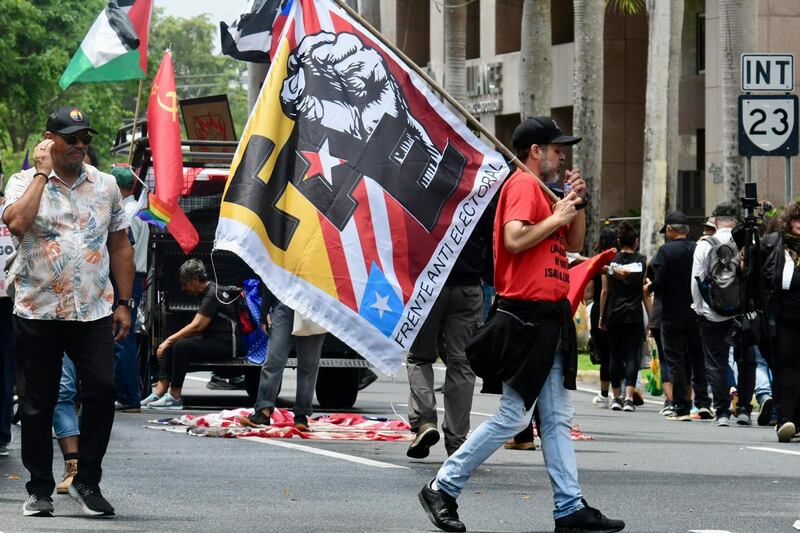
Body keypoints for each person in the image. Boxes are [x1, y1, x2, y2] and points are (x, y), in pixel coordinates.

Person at [418, 116, 624, 533]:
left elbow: (573, 244)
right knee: (515, 417)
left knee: (557, 418)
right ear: (536, 152)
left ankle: (569, 507)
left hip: (550, 317)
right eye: (556, 148)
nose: (562, 155)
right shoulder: (523, 185)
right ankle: (442, 486)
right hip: (525, 316)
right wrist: (556, 214)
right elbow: (514, 238)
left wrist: (574, 204)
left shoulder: (546, 190)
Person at [2, 106, 134, 517]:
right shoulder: (23, 181)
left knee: (103, 389)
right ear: (49, 140)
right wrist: (42, 174)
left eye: (84, 138)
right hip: (37, 311)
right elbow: (17, 224)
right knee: (38, 404)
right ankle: (39, 488)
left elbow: (120, 245)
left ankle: (86, 481)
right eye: (71, 138)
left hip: (93, 311)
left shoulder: (107, 185)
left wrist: (126, 302)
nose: (80, 145)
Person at [405, 202, 493, 458]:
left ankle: (425, 421)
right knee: (462, 365)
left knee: (419, 357)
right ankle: (457, 440)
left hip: (429, 283)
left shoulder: (425, 183)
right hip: (467, 285)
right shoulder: (480, 183)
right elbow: (491, 238)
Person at [142, 259, 245, 409]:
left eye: (185, 284)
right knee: (172, 346)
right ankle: (158, 393)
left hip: (228, 344)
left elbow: (197, 326)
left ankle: (174, 396)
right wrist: (169, 343)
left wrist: (168, 341)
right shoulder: (207, 292)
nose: (183, 288)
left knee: (179, 347)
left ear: (196, 280)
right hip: (215, 339)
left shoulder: (212, 294)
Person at [691, 203, 753, 426]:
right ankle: (745, 409)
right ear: (735, 221)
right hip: (743, 312)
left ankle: (722, 412)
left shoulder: (704, 245)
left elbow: (696, 280)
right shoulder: (746, 241)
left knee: (716, 363)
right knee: (745, 359)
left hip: (712, 313)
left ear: (715, 221)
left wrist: (699, 308)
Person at [647, 211, 712, 422]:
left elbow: (660, 279)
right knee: (697, 358)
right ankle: (703, 403)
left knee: (676, 361)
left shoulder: (666, 251)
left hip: (672, 314)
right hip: (697, 312)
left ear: (671, 230)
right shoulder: (696, 248)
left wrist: (650, 288)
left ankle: (681, 406)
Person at [239, 294, 325, 432]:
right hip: (287, 301)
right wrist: (264, 311)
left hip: (314, 303)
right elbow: (271, 276)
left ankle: (301, 415)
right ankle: (263, 411)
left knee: (309, 364)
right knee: (273, 360)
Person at [598, 222, 650, 412]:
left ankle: (616, 398)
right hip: (634, 313)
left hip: (614, 313)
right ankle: (629, 398)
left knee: (615, 356)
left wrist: (602, 317)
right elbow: (644, 292)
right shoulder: (642, 260)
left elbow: (604, 292)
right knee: (631, 356)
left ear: (619, 241)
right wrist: (651, 318)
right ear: (636, 241)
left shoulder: (610, 260)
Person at [759, 202, 800, 442]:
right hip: (783, 317)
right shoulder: (777, 246)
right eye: (796, 219)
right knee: (786, 368)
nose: (799, 225)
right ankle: (785, 419)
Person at [110, 165, 148, 411]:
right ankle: (128, 394)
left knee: (121, 336)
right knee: (126, 335)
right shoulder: (138, 210)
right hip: (136, 275)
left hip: (127, 277)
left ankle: (128, 396)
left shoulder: (127, 212)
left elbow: (124, 250)